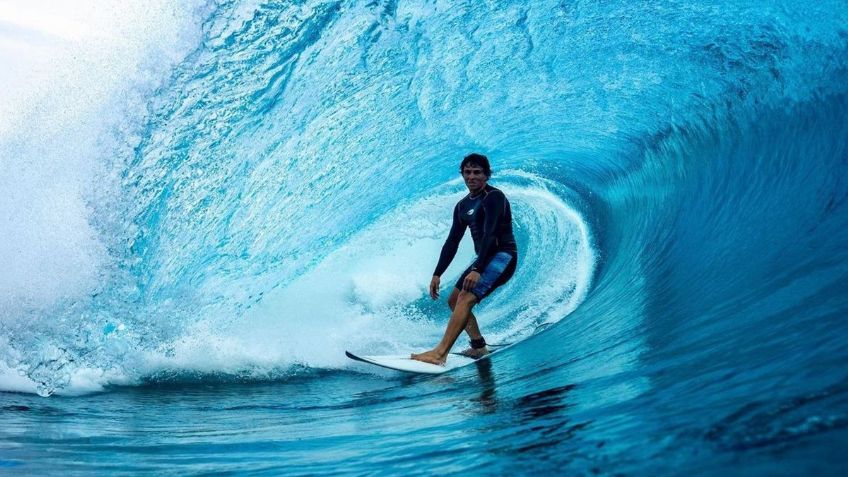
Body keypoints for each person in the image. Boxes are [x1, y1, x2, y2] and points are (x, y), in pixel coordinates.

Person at [411, 153, 518, 365]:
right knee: (453, 299)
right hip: (485, 259)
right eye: (467, 172)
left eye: (477, 172)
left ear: (487, 175)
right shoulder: (462, 206)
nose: (472, 177)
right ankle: (478, 347)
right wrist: (437, 273)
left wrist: (477, 268)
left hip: (502, 256)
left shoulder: (493, 197)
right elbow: (452, 241)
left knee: (465, 298)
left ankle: (440, 353)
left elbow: (490, 233)